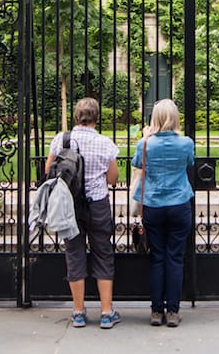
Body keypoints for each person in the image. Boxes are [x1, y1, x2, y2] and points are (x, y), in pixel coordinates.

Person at [46, 97, 121, 330]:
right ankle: (107, 312)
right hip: (97, 203)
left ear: (77, 116)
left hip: (69, 204)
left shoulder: (62, 139)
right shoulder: (105, 143)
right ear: (96, 117)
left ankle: (78, 311)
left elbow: (48, 170)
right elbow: (113, 178)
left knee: (74, 253)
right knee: (103, 253)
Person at [131, 98, 195, 328]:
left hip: (153, 205)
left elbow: (137, 164)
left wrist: (146, 137)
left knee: (157, 257)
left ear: (154, 118)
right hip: (179, 204)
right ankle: (173, 311)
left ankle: (157, 310)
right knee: (175, 258)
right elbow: (190, 163)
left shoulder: (145, 144)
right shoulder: (186, 143)